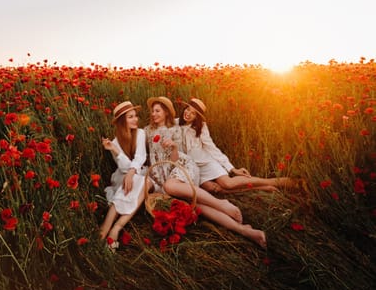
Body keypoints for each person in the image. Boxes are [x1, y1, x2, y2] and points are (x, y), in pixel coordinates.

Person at [144, 96, 267, 248]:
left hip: (181, 166)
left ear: (166, 113)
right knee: (196, 205)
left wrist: (231, 168)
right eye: (153, 111)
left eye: (158, 111)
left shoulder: (178, 129)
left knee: (171, 187)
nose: (154, 114)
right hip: (162, 172)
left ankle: (221, 203)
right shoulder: (151, 129)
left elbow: (207, 149)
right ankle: (245, 231)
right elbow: (138, 146)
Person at [178, 98, 293, 193]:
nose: (188, 114)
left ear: (197, 117)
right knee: (213, 188)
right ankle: (262, 188)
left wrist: (232, 169)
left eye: (193, 113)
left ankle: (277, 182)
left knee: (228, 184)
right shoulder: (174, 123)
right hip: (191, 166)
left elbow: (212, 148)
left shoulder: (201, 127)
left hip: (206, 162)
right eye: (188, 110)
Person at [99, 101, 150, 252]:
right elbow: (124, 167)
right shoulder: (114, 142)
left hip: (139, 173)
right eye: (130, 117)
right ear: (122, 121)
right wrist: (116, 151)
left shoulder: (140, 133)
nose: (135, 119)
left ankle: (114, 229)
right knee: (133, 183)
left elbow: (140, 157)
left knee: (138, 181)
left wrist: (131, 173)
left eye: (135, 116)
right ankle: (102, 234)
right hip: (122, 176)